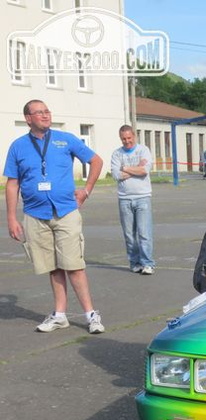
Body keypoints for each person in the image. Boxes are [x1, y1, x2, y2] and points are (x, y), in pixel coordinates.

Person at [4, 99, 106, 334]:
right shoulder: (18, 146)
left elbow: (96, 160)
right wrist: (11, 217)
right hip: (35, 214)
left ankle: (91, 314)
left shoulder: (65, 139)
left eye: (47, 111)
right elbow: (12, 183)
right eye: (39, 112)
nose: (45, 115)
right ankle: (60, 315)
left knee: (74, 265)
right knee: (53, 267)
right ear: (28, 118)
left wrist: (86, 190)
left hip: (65, 211)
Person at [110, 125, 155, 275]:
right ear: (120, 138)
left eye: (129, 138)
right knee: (129, 234)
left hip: (143, 197)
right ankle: (134, 263)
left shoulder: (143, 150)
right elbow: (116, 175)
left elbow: (144, 171)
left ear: (134, 136)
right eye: (124, 139)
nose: (127, 141)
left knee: (144, 233)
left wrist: (125, 168)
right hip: (124, 199)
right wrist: (135, 168)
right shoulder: (117, 154)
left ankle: (147, 263)